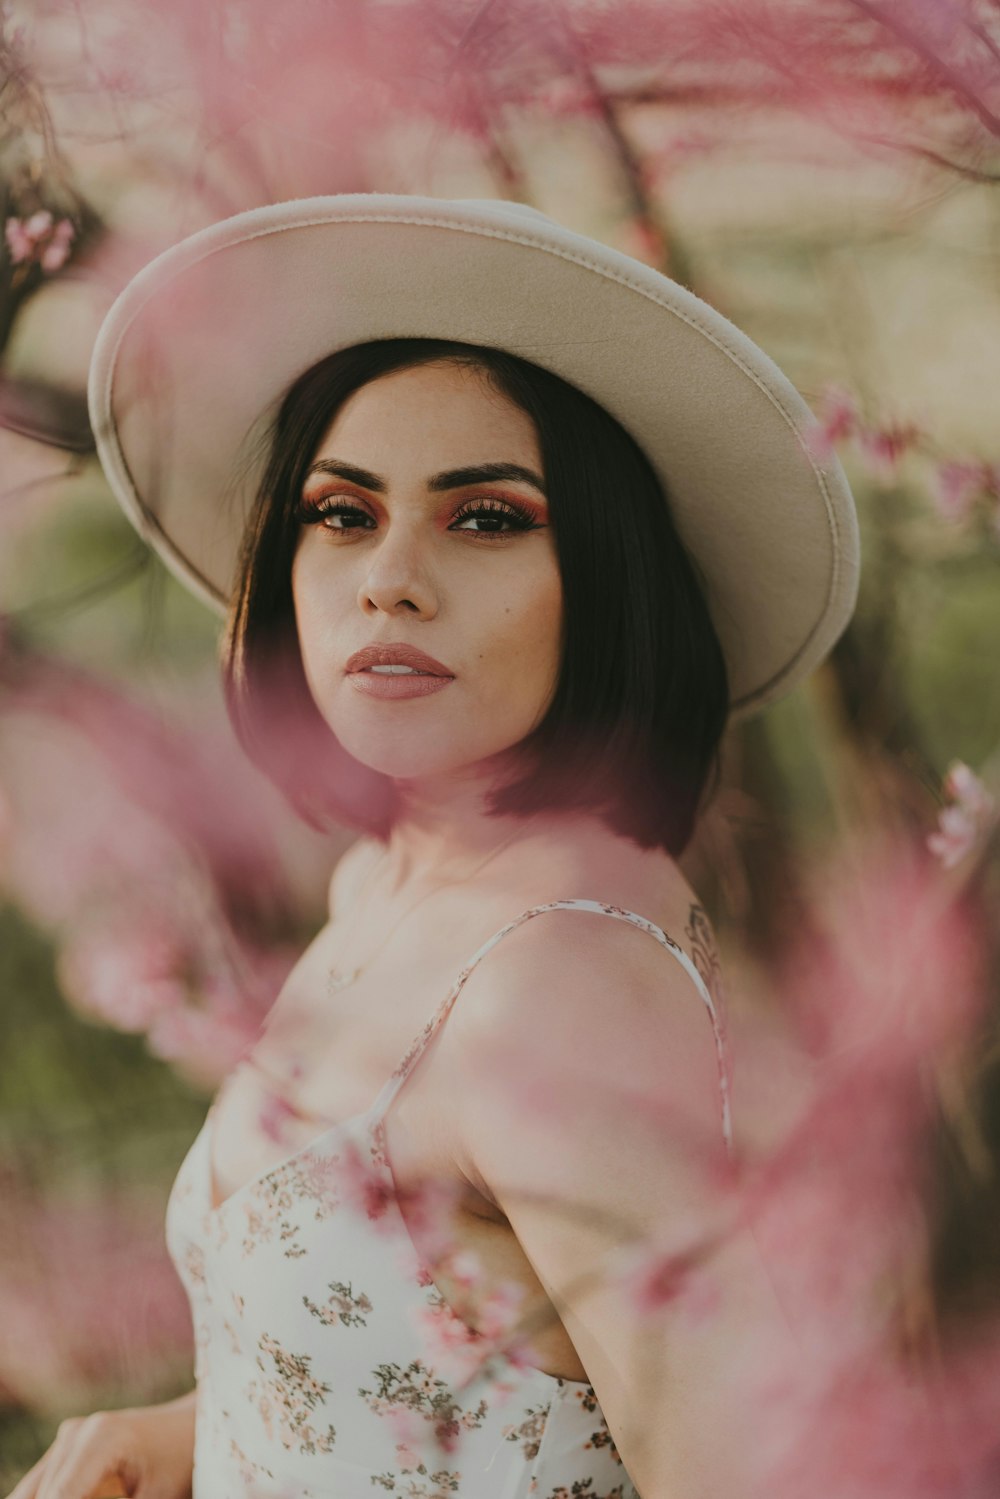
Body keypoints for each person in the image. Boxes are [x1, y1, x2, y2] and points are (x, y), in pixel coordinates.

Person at [11, 195, 859, 1498]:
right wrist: (192, 1429)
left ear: (613, 583)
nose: (388, 576)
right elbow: (442, 1367)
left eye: (486, 518)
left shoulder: (561, 988)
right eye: (340, 513)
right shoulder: (386, 886)